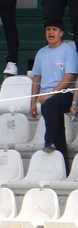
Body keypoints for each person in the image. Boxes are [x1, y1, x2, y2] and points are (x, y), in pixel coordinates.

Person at [29, 24, 76, 172]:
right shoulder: (41, 53)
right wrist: (32, 103)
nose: (50, 32)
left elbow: (70, 76)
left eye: (54, 29)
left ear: (61, 33)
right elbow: (37, 78)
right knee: (59, 133)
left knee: (49, 105)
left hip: (65, 93)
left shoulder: (69, 51)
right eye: (48, 29)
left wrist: (52, 94)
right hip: (46, 97)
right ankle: (64, 170)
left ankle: (48, 141)